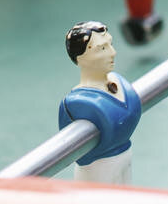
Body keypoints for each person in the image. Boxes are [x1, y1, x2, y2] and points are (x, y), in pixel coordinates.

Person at [57, 21, 141, 186]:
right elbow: (71, 152)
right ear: (80, 57)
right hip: (98, 171)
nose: (113, 53)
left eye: (110, 44)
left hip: (124, 160)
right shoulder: (75, 104)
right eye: (102, 49)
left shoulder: (120, 82)